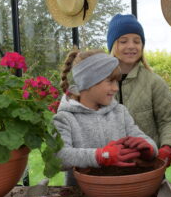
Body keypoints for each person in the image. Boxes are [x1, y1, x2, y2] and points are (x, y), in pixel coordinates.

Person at [54, 49, 158, 185]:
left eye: (116, 82)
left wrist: (149, 149)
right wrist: (101, 156)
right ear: (88, 82)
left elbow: (140, 137)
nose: (116, 88)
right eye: (110, 81)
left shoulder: (120, 112)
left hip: (122, 189)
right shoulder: (65, 118)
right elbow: (59, 157)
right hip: (81, 195)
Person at [106, 14, 171, 166]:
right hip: (109, 166)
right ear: (113, 45)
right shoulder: (99, 82)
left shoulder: (154, 82)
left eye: (137, 41)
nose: (131, 46)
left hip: (147, 165)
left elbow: (170, 120)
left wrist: (166, 147)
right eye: (123, 41)